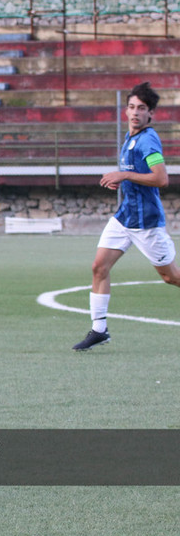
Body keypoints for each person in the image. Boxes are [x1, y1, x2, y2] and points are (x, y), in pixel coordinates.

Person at [73, 81, 180, 350]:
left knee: (171, 277)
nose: (135, 112)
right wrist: (123, 180)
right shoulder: (130, 138)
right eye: (132, 107)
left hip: (146, 222)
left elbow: (161, 179)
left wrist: (125, 175)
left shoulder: (148, 139)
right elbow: (136, 175)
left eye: (141, 108)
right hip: (125, 217)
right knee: (99, 267)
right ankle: (99, 330)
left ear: (150, 113)